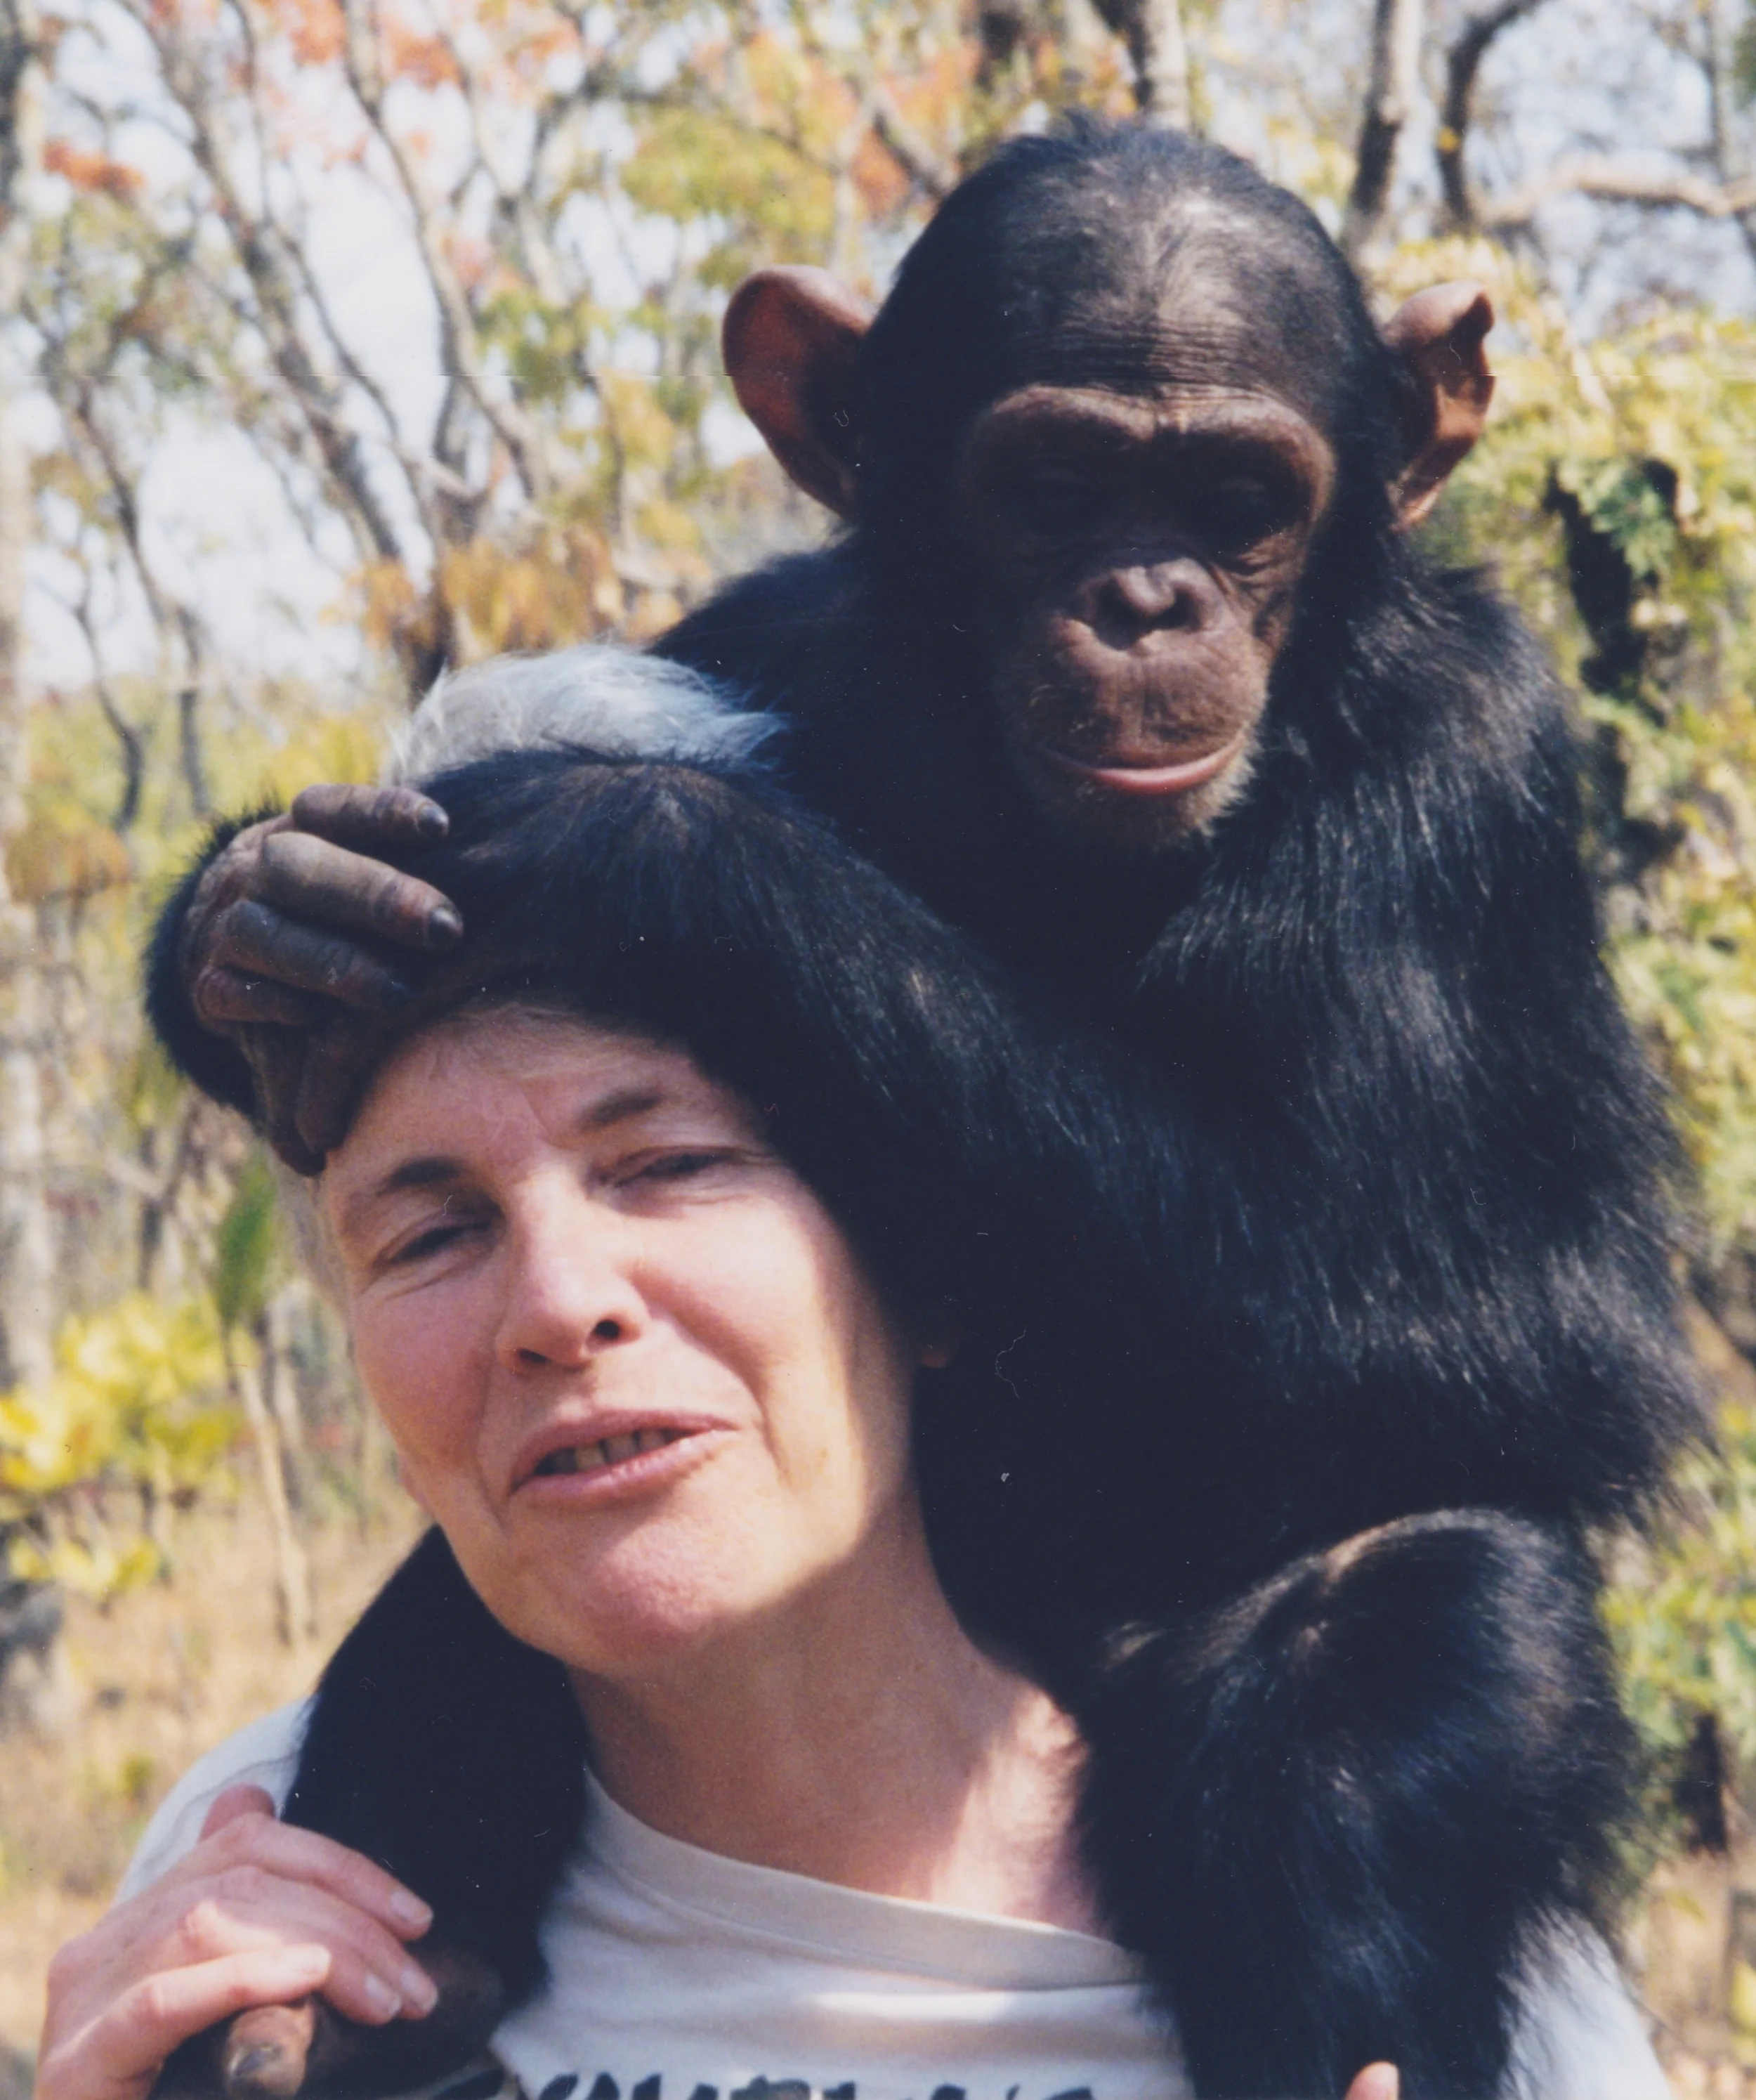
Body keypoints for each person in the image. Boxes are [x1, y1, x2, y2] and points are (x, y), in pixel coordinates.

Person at [39, 730, 1664, 2100]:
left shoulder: (1394, 1884)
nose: (555, 1304)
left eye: (668, 1166)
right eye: (430, 1232)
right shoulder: (278, 1886)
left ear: (940, 1284)